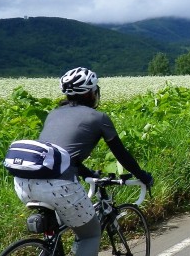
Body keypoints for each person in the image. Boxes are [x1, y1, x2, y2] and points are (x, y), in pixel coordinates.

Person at [11, 67, 154, 256]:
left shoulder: (53, 114)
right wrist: (143, 176)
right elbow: (122, 155)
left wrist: (89, 174)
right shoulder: (98, 118)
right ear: (90, 93)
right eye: (95, 90)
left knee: (54, 234)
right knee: (90, 234)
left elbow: (62, 156)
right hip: (58, 186)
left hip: (24, 183)